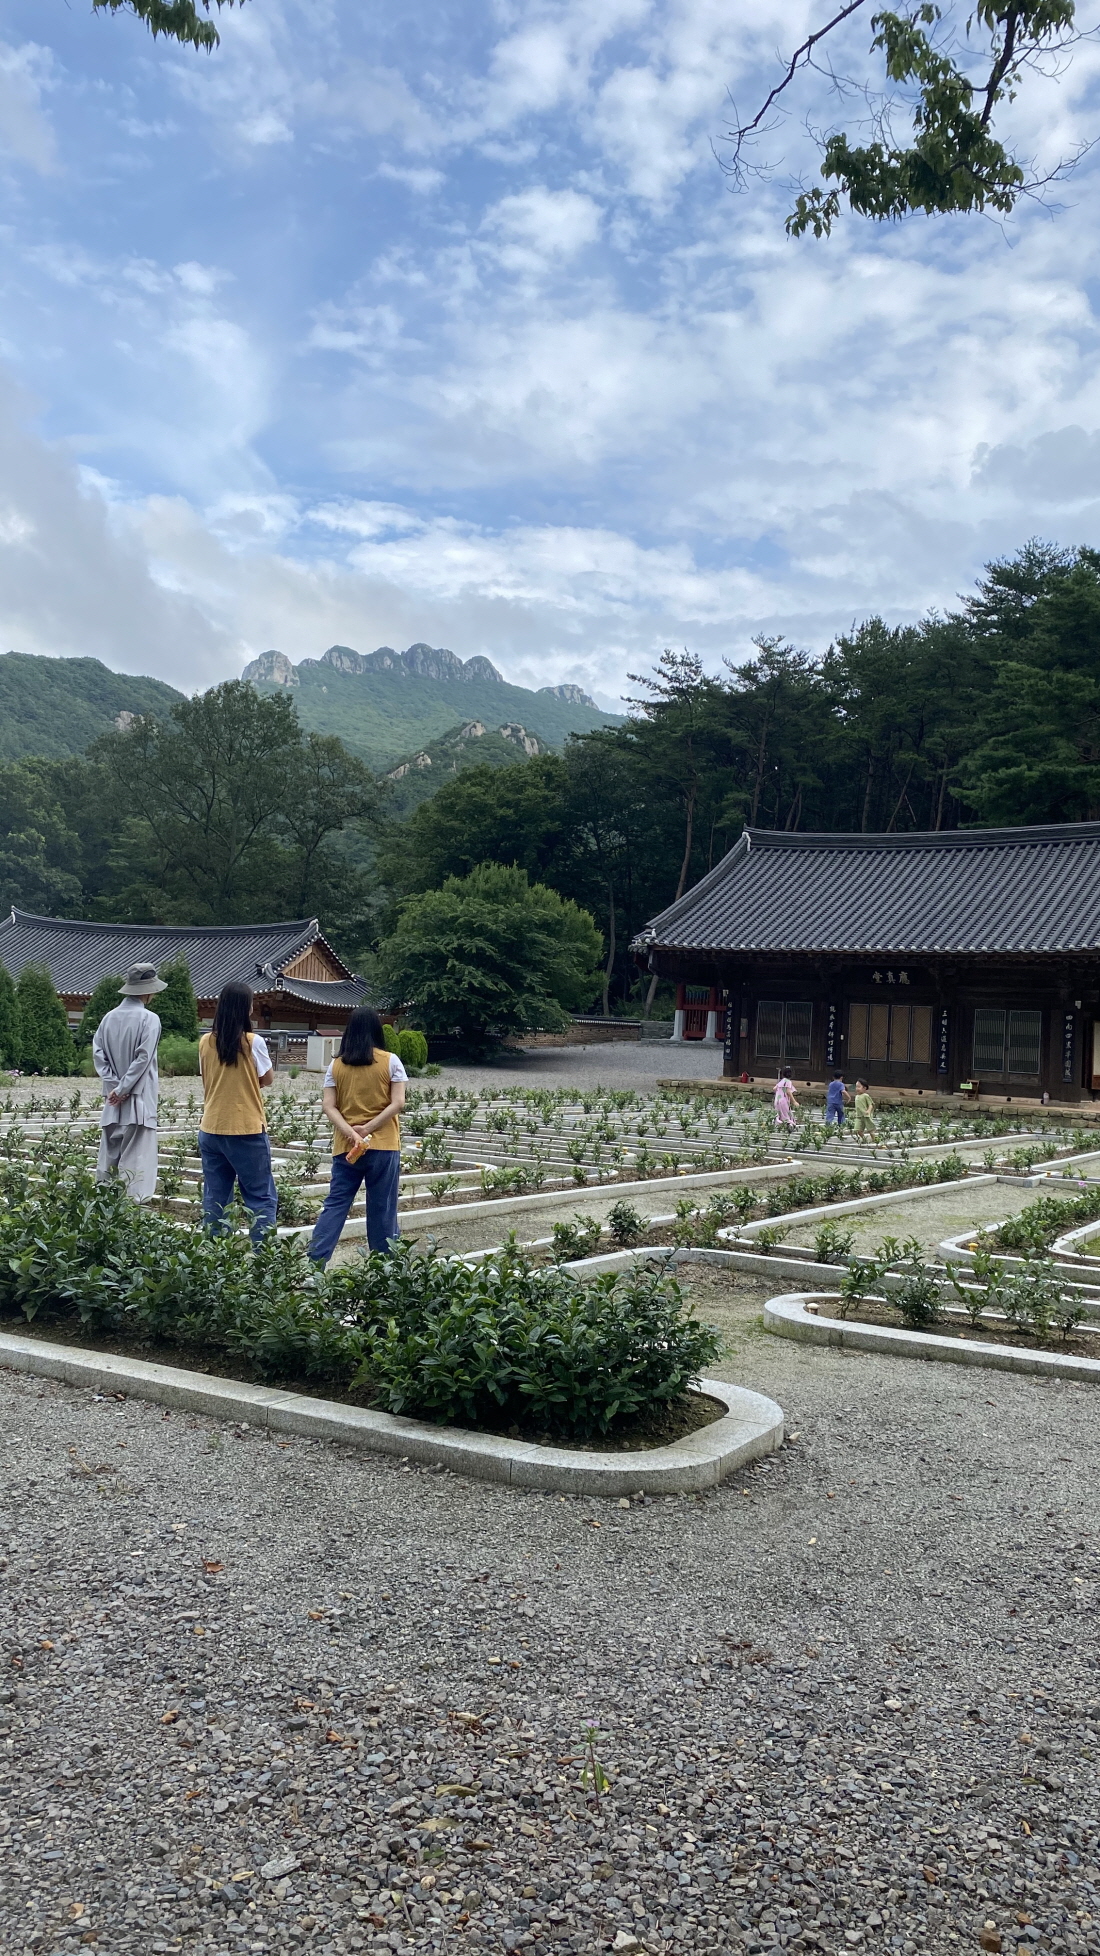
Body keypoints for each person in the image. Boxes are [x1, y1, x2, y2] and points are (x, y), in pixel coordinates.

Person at [308, 1007, 407, 1267]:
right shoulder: (391, 1061)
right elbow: (398, 1103)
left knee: (336, 1205)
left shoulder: (336, 1065)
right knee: (382, 1208)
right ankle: (384, 1268)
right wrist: (368, 1128)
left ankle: (314, 1264)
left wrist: (351, 1132)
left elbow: (328, 1106)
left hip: (346, 1147)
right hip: (383, 1145)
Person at [198, 981, 277, 1244]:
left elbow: (208, 1077)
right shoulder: (253, 1042)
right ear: (246, 1008)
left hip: (211, 1126)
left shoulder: (205, 1042)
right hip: (246, 1128)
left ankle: (216, 1254)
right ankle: (263, 1256)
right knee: (260, 1196)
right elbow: (267, 1078)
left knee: (215, 1198)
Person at [92, 961, 166, 1201]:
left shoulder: (108, 1018)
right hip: (138, 1099)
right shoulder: (149, 1019)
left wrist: (113, 1087)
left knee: (108, 1159)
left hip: (112, 1101)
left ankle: (101, 1208)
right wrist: (124, 1088)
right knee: (137, 1162)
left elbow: (99, 1055)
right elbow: (143, 1058)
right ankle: (132, 1212)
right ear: (148, 991)